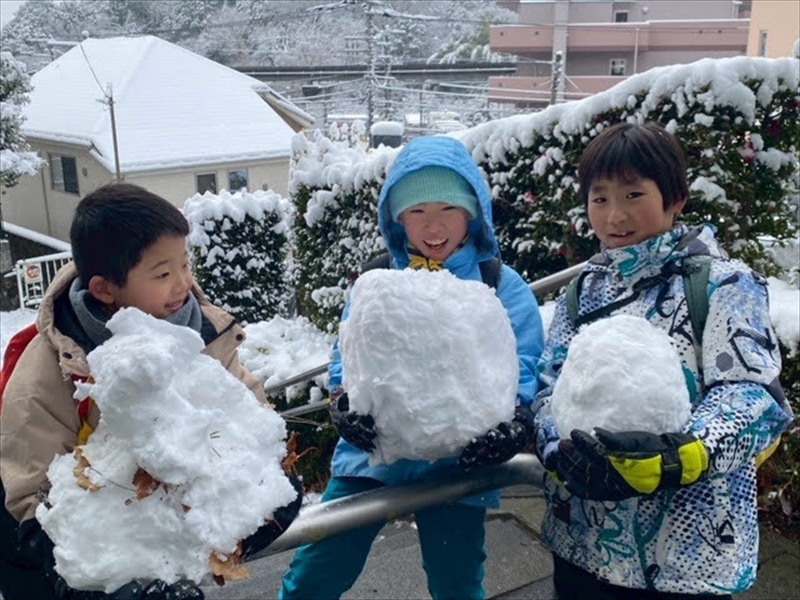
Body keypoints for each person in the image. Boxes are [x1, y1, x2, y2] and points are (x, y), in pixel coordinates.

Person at [0, 183, 302, 600]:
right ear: (105, 289)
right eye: (162, 274)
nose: (183, 284)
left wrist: (269, 475)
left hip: (159, 542)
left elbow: (246, 411)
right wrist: (68, 559)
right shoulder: (55, 362)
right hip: (72, 565)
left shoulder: (203, 330)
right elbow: (29, 477)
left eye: (184, 264)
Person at [531, 121, 794, 600]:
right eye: (600, 198)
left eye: (634, 195)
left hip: (686, 559)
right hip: (583, 544)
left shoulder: (723, 285)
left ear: (675, 198)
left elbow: (753, 396)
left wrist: (676, 456)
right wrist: (558, 454)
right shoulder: (582, 291)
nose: (614, 216)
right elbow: (549, 386)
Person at [278, 135, 545, 599]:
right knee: (317, 568)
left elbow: (522, 361)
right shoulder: (379, 279)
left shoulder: (498, 283)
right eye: (417, 211)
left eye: (448, 209)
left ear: (473, 212)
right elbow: (349, 353)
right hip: (371, 456)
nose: (433, 225)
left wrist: (515, 417)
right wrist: (345, 403)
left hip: (460, 461)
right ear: (397, 217)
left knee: (457, 580)